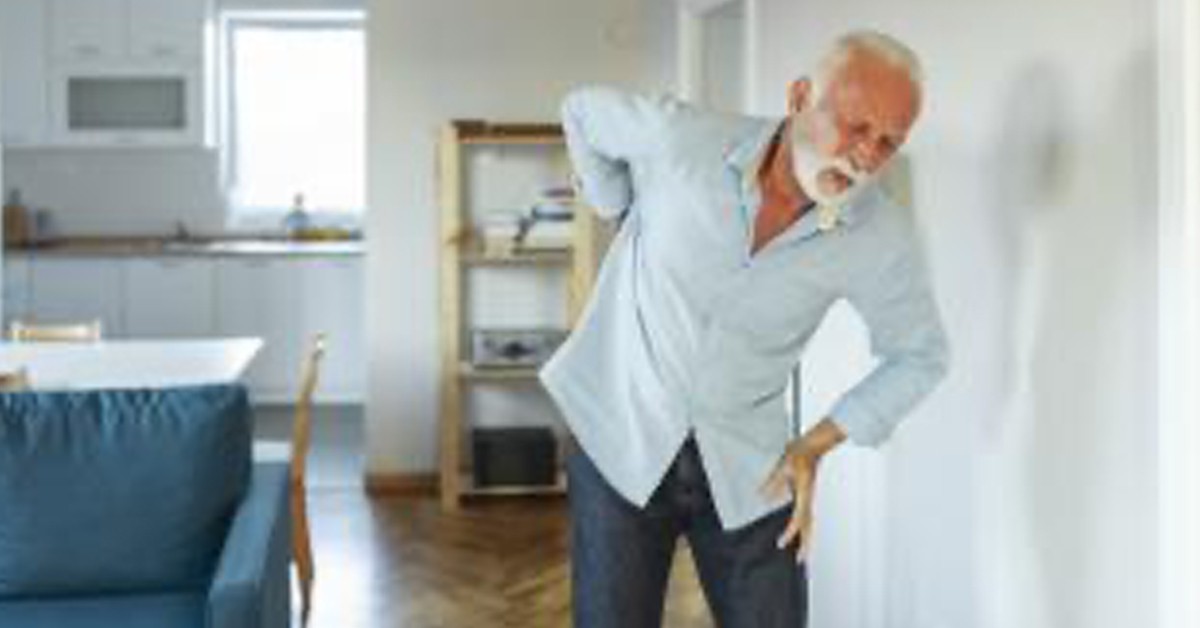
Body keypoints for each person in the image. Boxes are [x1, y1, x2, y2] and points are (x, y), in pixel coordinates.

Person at [540, 30, 951, 628]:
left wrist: (818, 443)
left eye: (888, 142)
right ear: (799, 95)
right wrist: (617, 205)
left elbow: (922, 355)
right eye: (856, 127)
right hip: (620, 440)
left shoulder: (879, 237)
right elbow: (581, 110)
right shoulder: (680, 140)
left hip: (751, 465)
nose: (866, 156)